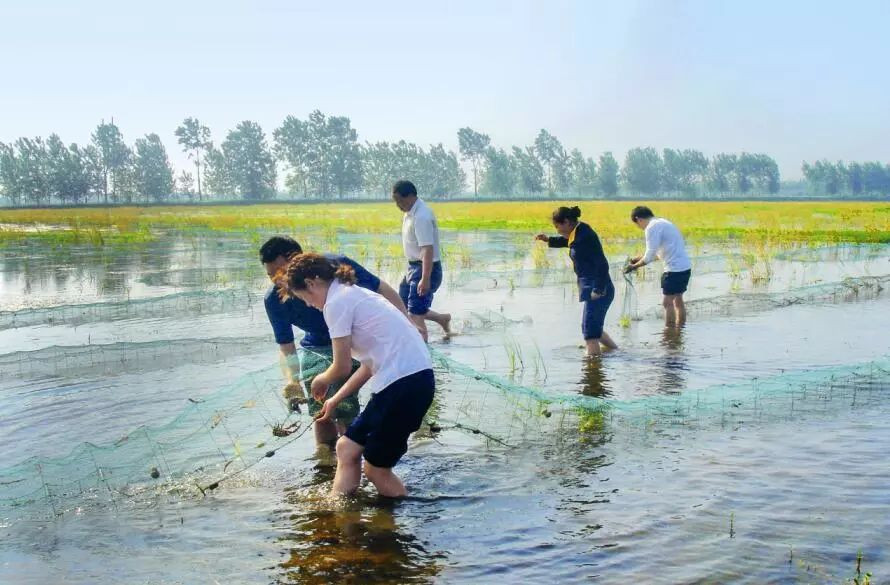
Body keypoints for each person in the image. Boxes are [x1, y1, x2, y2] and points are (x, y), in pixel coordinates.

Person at [279, 253, 435, 498]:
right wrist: (335, 399)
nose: (309, 305)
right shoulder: (352, 293)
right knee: (346, 447)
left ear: (311, 283)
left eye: (305, 298)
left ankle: (399, 517)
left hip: (404, 385)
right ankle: (338, 506)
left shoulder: (336, 303)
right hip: (410, 381)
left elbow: (341, 367)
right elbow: (368, 365)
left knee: (376, 470)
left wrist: (322, 379)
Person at [260, 236, 407, 448]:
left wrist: (407, 324)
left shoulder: (332, 267)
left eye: (279, 272)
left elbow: (381, 289)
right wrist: (293, 381)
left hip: (354, 340)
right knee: (319, 411)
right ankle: (326, 458)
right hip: (316, 346)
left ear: (296, 260)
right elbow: (286, 346)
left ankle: (351, 450)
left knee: (343, 406)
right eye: (270, 276)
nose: (277, 280)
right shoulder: (274, 299)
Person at [535, 206, 618, 357]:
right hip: (593, 288)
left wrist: (598, 290)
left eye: (557, 226)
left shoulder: (584, 236)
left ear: (566, 222)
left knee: (590, 334)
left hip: (599, 290)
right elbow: (570, 242)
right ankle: (618, 353)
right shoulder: (579, 232)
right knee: (593, 329)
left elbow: (602, 264)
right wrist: (549, 240)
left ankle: (592, 367)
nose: (557, 230)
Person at [391, 180, 451, 341]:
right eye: (395, 201)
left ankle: (422, 351)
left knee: (415, 314)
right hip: (413, 267)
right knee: (403, 306)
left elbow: (427, 249)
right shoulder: (410, 212)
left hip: (425, 268)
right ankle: (442, 319)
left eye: (399, 201)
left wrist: (425, 279)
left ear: (410, 196)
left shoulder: (422, 216)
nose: (398, 205)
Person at [623, 206, 692, 327]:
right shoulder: (663, 222)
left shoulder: (651, 227)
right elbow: (658, 254)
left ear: (638, 219)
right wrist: (638, 259)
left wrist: (633, 267)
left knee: (667, 303)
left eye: (637, 224)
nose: (640, 227)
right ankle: (680, 330)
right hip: (685, 267)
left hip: (673, 270)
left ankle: (669, 332)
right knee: (678, 300)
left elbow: (649, 256)